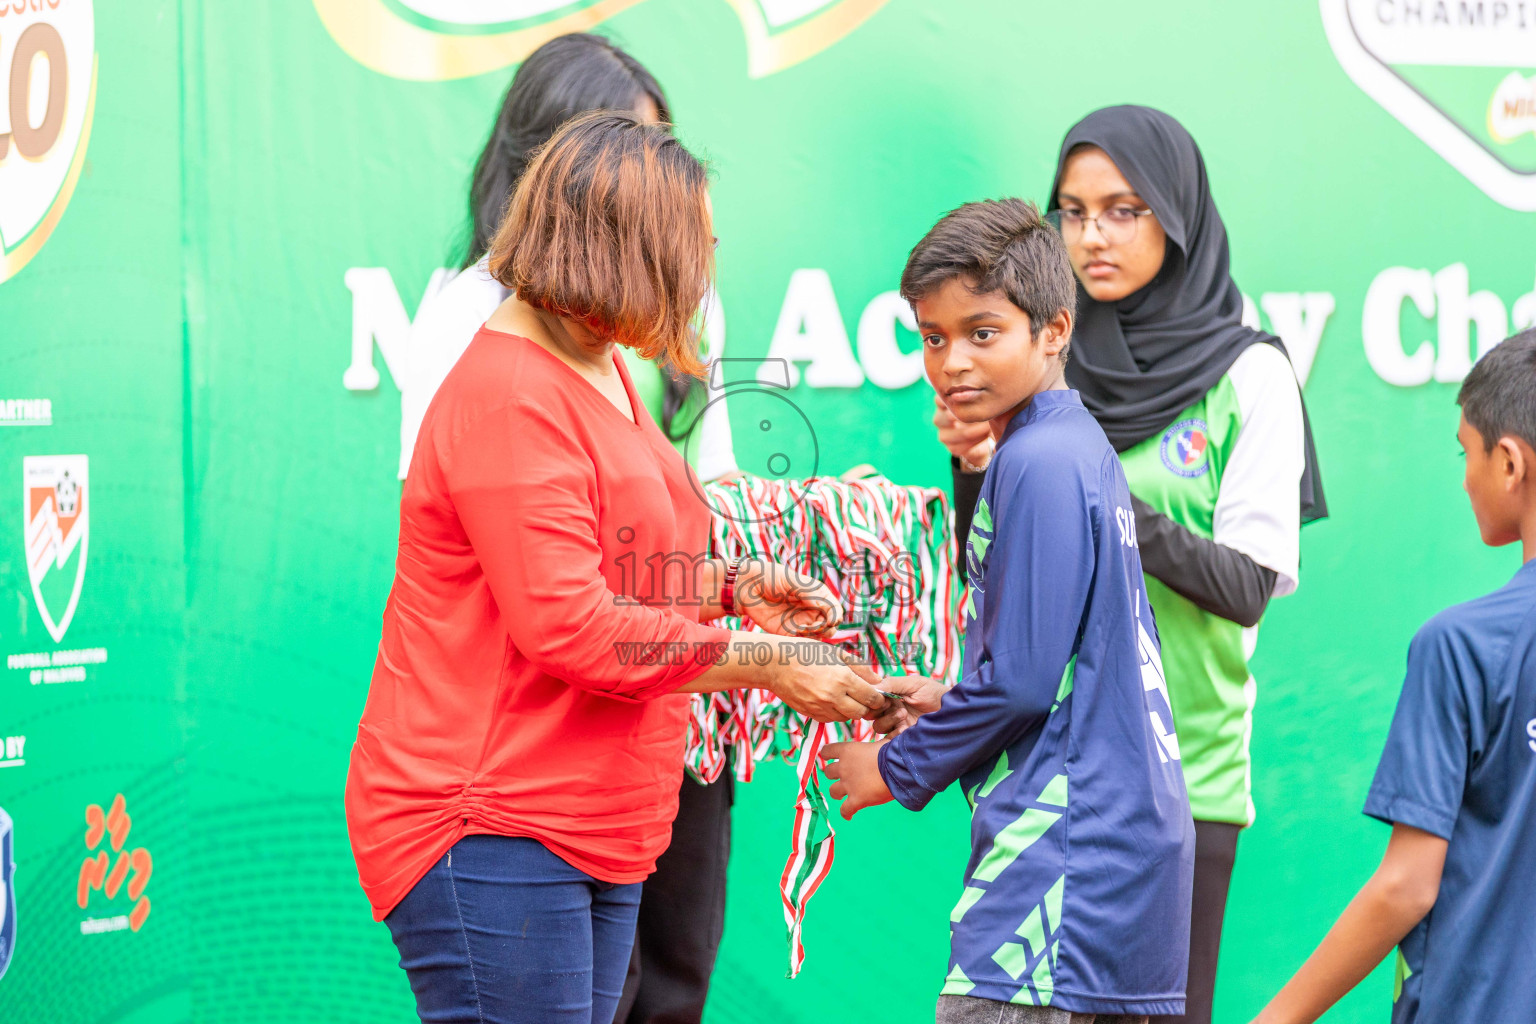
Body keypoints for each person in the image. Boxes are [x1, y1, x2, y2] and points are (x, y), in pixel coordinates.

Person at [344, 112, 888, 1024]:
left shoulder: (595, 365)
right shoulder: (511, 393)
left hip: (591, 826)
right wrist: (768, 663)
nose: (703, 279)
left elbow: (617, 552)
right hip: (493, 822)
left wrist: (735, 587)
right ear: (625, 250)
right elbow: (573, 625)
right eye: (693, 252)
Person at [934, 105, 1325, 1024]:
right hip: (1041, 777)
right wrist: (974, 470)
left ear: (1178, 216)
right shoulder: (1044, 357)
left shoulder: (1250, 374)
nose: (1092, 235)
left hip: (1179, 778)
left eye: (1123, 210)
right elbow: (994, 579)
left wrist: (1097, 498)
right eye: (1071, 212)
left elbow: (1244, 588)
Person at [393, 34, 740, 1024]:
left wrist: (737, 591)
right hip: (525, 767)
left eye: (662, 152)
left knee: (670, 979)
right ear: (557, 172)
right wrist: (762, 654)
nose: (655, 188)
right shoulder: (485, 337)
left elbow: (702, 498)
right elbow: (552, 606)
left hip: (650, 719)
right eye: (625, 152)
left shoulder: (633, 337)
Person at [825, 198, 1195, 1024]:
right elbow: (1054, 666)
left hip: (1068, 869)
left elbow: (1023, 685)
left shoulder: (1038, 459)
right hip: (1111, 860)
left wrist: (893, 767)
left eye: (982, 332)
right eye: (932, 337)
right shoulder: (1065, 445)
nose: (953, 361)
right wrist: (943, 698)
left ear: (1054, 331)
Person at [1250, 330, 1536, 1024]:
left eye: (1464, 452)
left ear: (1509, 462)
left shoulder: (1462, 646)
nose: (1463, 477)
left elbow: (1407, 886)